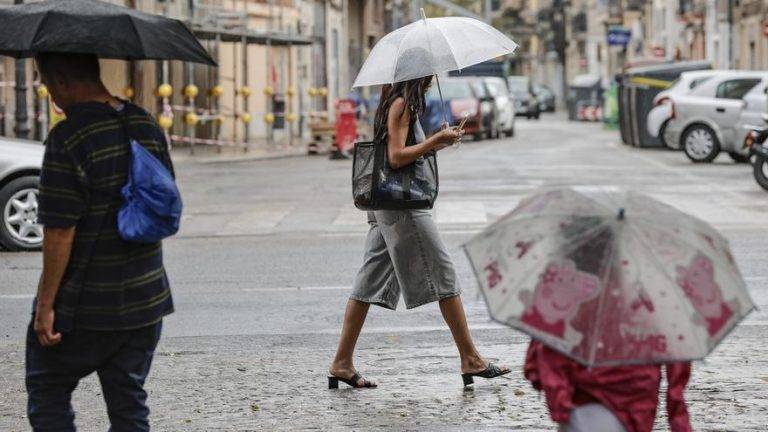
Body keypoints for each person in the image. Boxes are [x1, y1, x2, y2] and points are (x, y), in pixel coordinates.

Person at [328, 75, 510, 389]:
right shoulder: (402, 105)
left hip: (386, 204)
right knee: (444, 275)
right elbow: (396, 156)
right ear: (418, 74)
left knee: (369, 280)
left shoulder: (394, 101)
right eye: (429, 72)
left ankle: (341, 363)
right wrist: (435, 141)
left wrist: (436, 140)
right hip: (403, 206)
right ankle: (470, 358)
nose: (432, 78)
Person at [26, 52, 175, 431]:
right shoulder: (145, 123)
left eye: (47, 83)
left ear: (62, 81)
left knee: (48, 391)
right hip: (145, 300)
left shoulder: (69, 136)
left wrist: (46, 305)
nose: (50, 93)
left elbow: (59, 230)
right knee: (129, 406)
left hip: (85, 306)